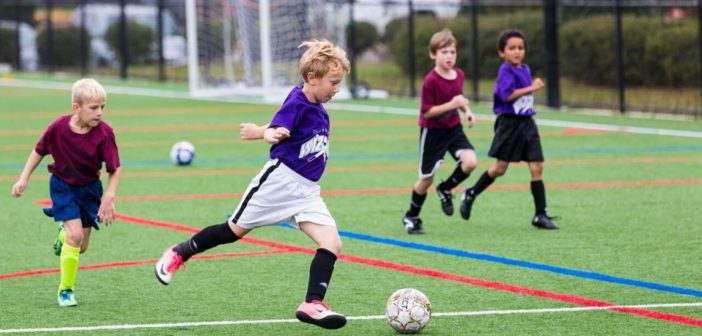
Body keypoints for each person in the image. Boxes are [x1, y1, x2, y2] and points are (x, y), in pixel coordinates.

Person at [154, 40, 350, 330]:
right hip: (278, 183)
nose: (336, 89)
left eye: (339, 83)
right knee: (232, 231)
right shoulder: (297, 101)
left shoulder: (321, 111)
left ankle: (312, 304)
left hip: (307, 192)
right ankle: (178, 253)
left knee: (332, 243)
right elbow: (274, 128)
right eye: (333, 82)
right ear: (312, 78)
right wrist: (262, 133)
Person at [11, 78, 122, 306]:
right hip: (62, 186)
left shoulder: (105, 133)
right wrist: (23, 178)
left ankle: (63, 235)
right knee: (76, 236)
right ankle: (66, 290)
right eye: (93, 107)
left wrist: (109, 196)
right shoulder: (58, 128)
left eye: (103, 107)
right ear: (76, 108)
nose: (100, 112)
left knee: (80, 247)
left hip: (90, 189)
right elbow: (38, 151)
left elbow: (114, 168)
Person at [459, 29, 559, 230]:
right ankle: (471, 192)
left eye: (520, 48)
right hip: (509, 125)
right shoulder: (505, 70)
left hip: (527, 124)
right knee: (500, 169)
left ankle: (540, 214)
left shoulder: (525, 68)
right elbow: (507, 95)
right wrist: (532, 88)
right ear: (501, 53)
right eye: (512, 48)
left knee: (537, 167)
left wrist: (530, 87)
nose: (517, 52)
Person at [401, 29, 477, 234]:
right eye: (444, 52)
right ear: (433, 54)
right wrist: (453, 104)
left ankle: (446, 189)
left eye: (452, 52)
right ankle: (411, 216)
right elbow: (428, 112)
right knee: (426, 179)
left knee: (471, 162)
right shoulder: (431, 81)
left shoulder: (459, 74)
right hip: (433, 132)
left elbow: (458, 98)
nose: (449, 56)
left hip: (454, 129)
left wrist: (467, 110)